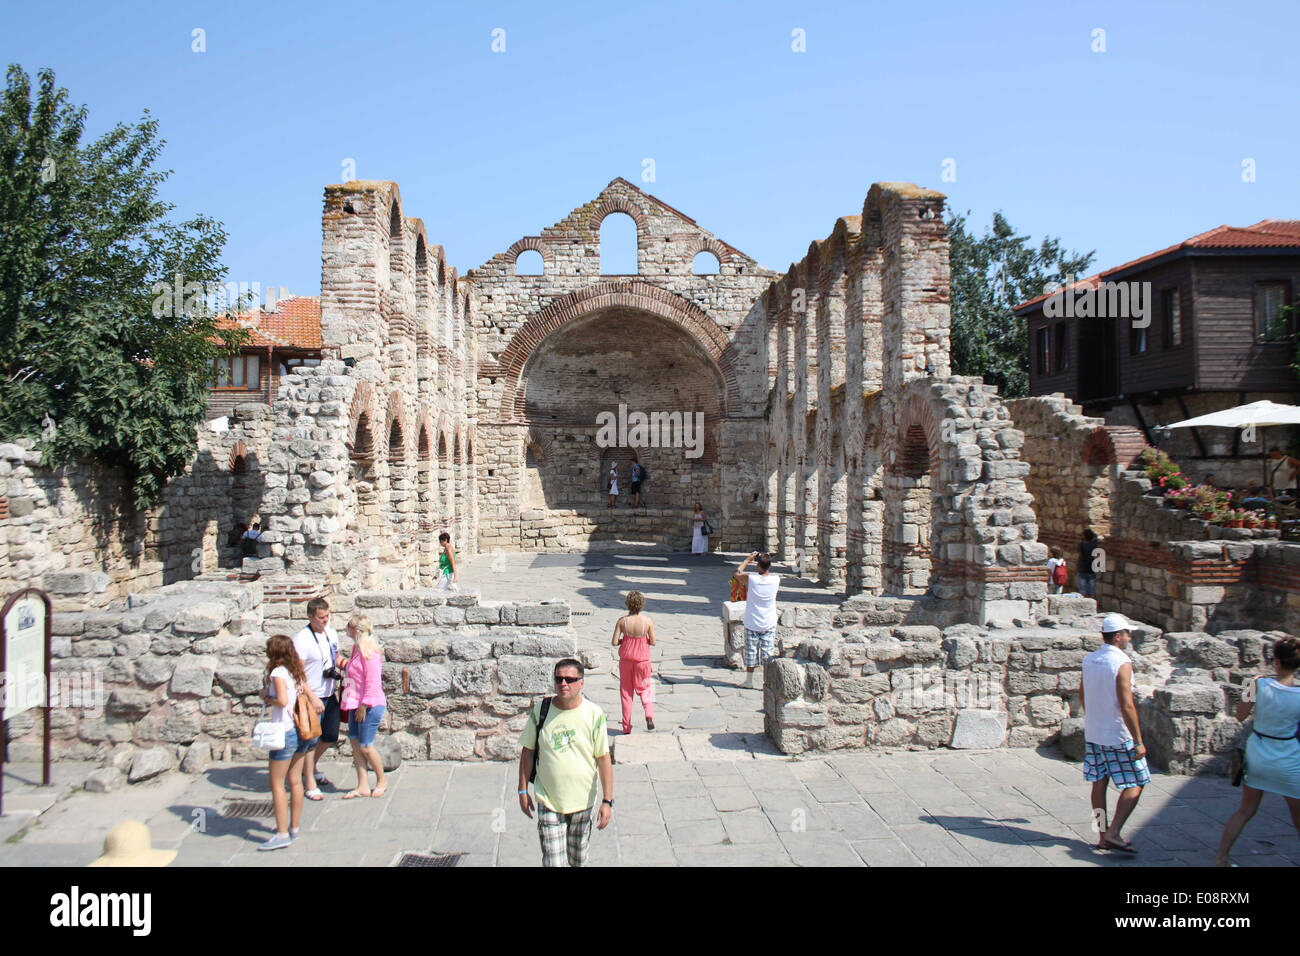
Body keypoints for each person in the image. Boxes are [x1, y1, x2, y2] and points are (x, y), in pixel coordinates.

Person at [517, 659, 614, 867]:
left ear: (581, 683)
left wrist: (607, 801)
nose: (563, 683)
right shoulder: (541, 710)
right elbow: (528, 751)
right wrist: (522, 791)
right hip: (549, 800)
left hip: (583, 801)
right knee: (553, 862)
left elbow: (603, 758)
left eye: (570, 679)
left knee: (578, 860)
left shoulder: (593, 714)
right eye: (559, 679)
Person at [1213, 637, 1300, 866]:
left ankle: (1221, 857)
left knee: (1246, 810)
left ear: (1276, 662)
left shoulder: (1258, 685)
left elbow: (1240, 715)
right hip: (1289, 756)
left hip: (1259, 753)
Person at [1080, 612, 1148, 853]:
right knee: (1136, 783)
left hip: (1095, 732)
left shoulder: (1089, 660)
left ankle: (1101, 835)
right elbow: (1126, 704)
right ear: (1118, 636)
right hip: (1118, 735)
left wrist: (1094, 718)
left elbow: (1083, 693)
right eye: (1128, 634)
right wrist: (1138, 740)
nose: (1130, 638)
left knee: (1099, 784)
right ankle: (1114, 832)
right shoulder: (1121, 663)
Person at [260, 634, 312, 849]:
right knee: (296, 780)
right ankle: (294, 828)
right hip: (300, 730)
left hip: (284, 731)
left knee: (277, 784)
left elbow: (281, 701)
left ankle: (281, 834)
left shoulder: (278, 673)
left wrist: (266, 696)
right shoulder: (295, 671)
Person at [293, 596, 343, 801]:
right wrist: (311, 697)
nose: (325, 621)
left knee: (330, 735)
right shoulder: (302, 639)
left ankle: (310, 766)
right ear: (310, 617)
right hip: (311, 697)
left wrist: (353, 666)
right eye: (321, 617)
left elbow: (336, 657)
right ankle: (309, 782)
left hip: (330, 693)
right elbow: (297, 673)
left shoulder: (331, 633)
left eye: (327, 616)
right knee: (310, 740)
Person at [340, 614, 388, 799]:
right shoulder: (356, 649)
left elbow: (373, 681)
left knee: (366, 745)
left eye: (349, 626)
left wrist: (364, 705)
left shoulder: (370, 652)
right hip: (354, 702)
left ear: (357, 630)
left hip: (369, 705)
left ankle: (381, 779)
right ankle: (362, 785)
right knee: (355, 743)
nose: (346, 629)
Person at [612, 591, 656, 734]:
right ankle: (649, 715)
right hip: (642, 661)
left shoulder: (622, 621)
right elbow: (653, 641)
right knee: (645, 688)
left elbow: (614, 642)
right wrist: (644, 641)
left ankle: (626, 726)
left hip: (626, 661)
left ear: (627, 604)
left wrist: (623, 641)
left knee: (626, 692)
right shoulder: (647, 621)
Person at [738, 551, 780, 688]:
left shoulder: (752, 579)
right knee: (768, 654)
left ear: (757, 565)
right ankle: (767, 682)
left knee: (751, 651)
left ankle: (749, 681)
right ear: (770, 566)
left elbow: (736, 574)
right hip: (769, 622)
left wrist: (747, 559)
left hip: (752, 621)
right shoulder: (776, 579)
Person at [1077, 528, 1100, 598]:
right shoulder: (1094, 545)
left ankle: (1082, 603)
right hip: (1092, 569)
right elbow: (1096, 538)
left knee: (1082, 589)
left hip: (1082, 569)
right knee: (1092, 589)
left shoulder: (1081, 545)